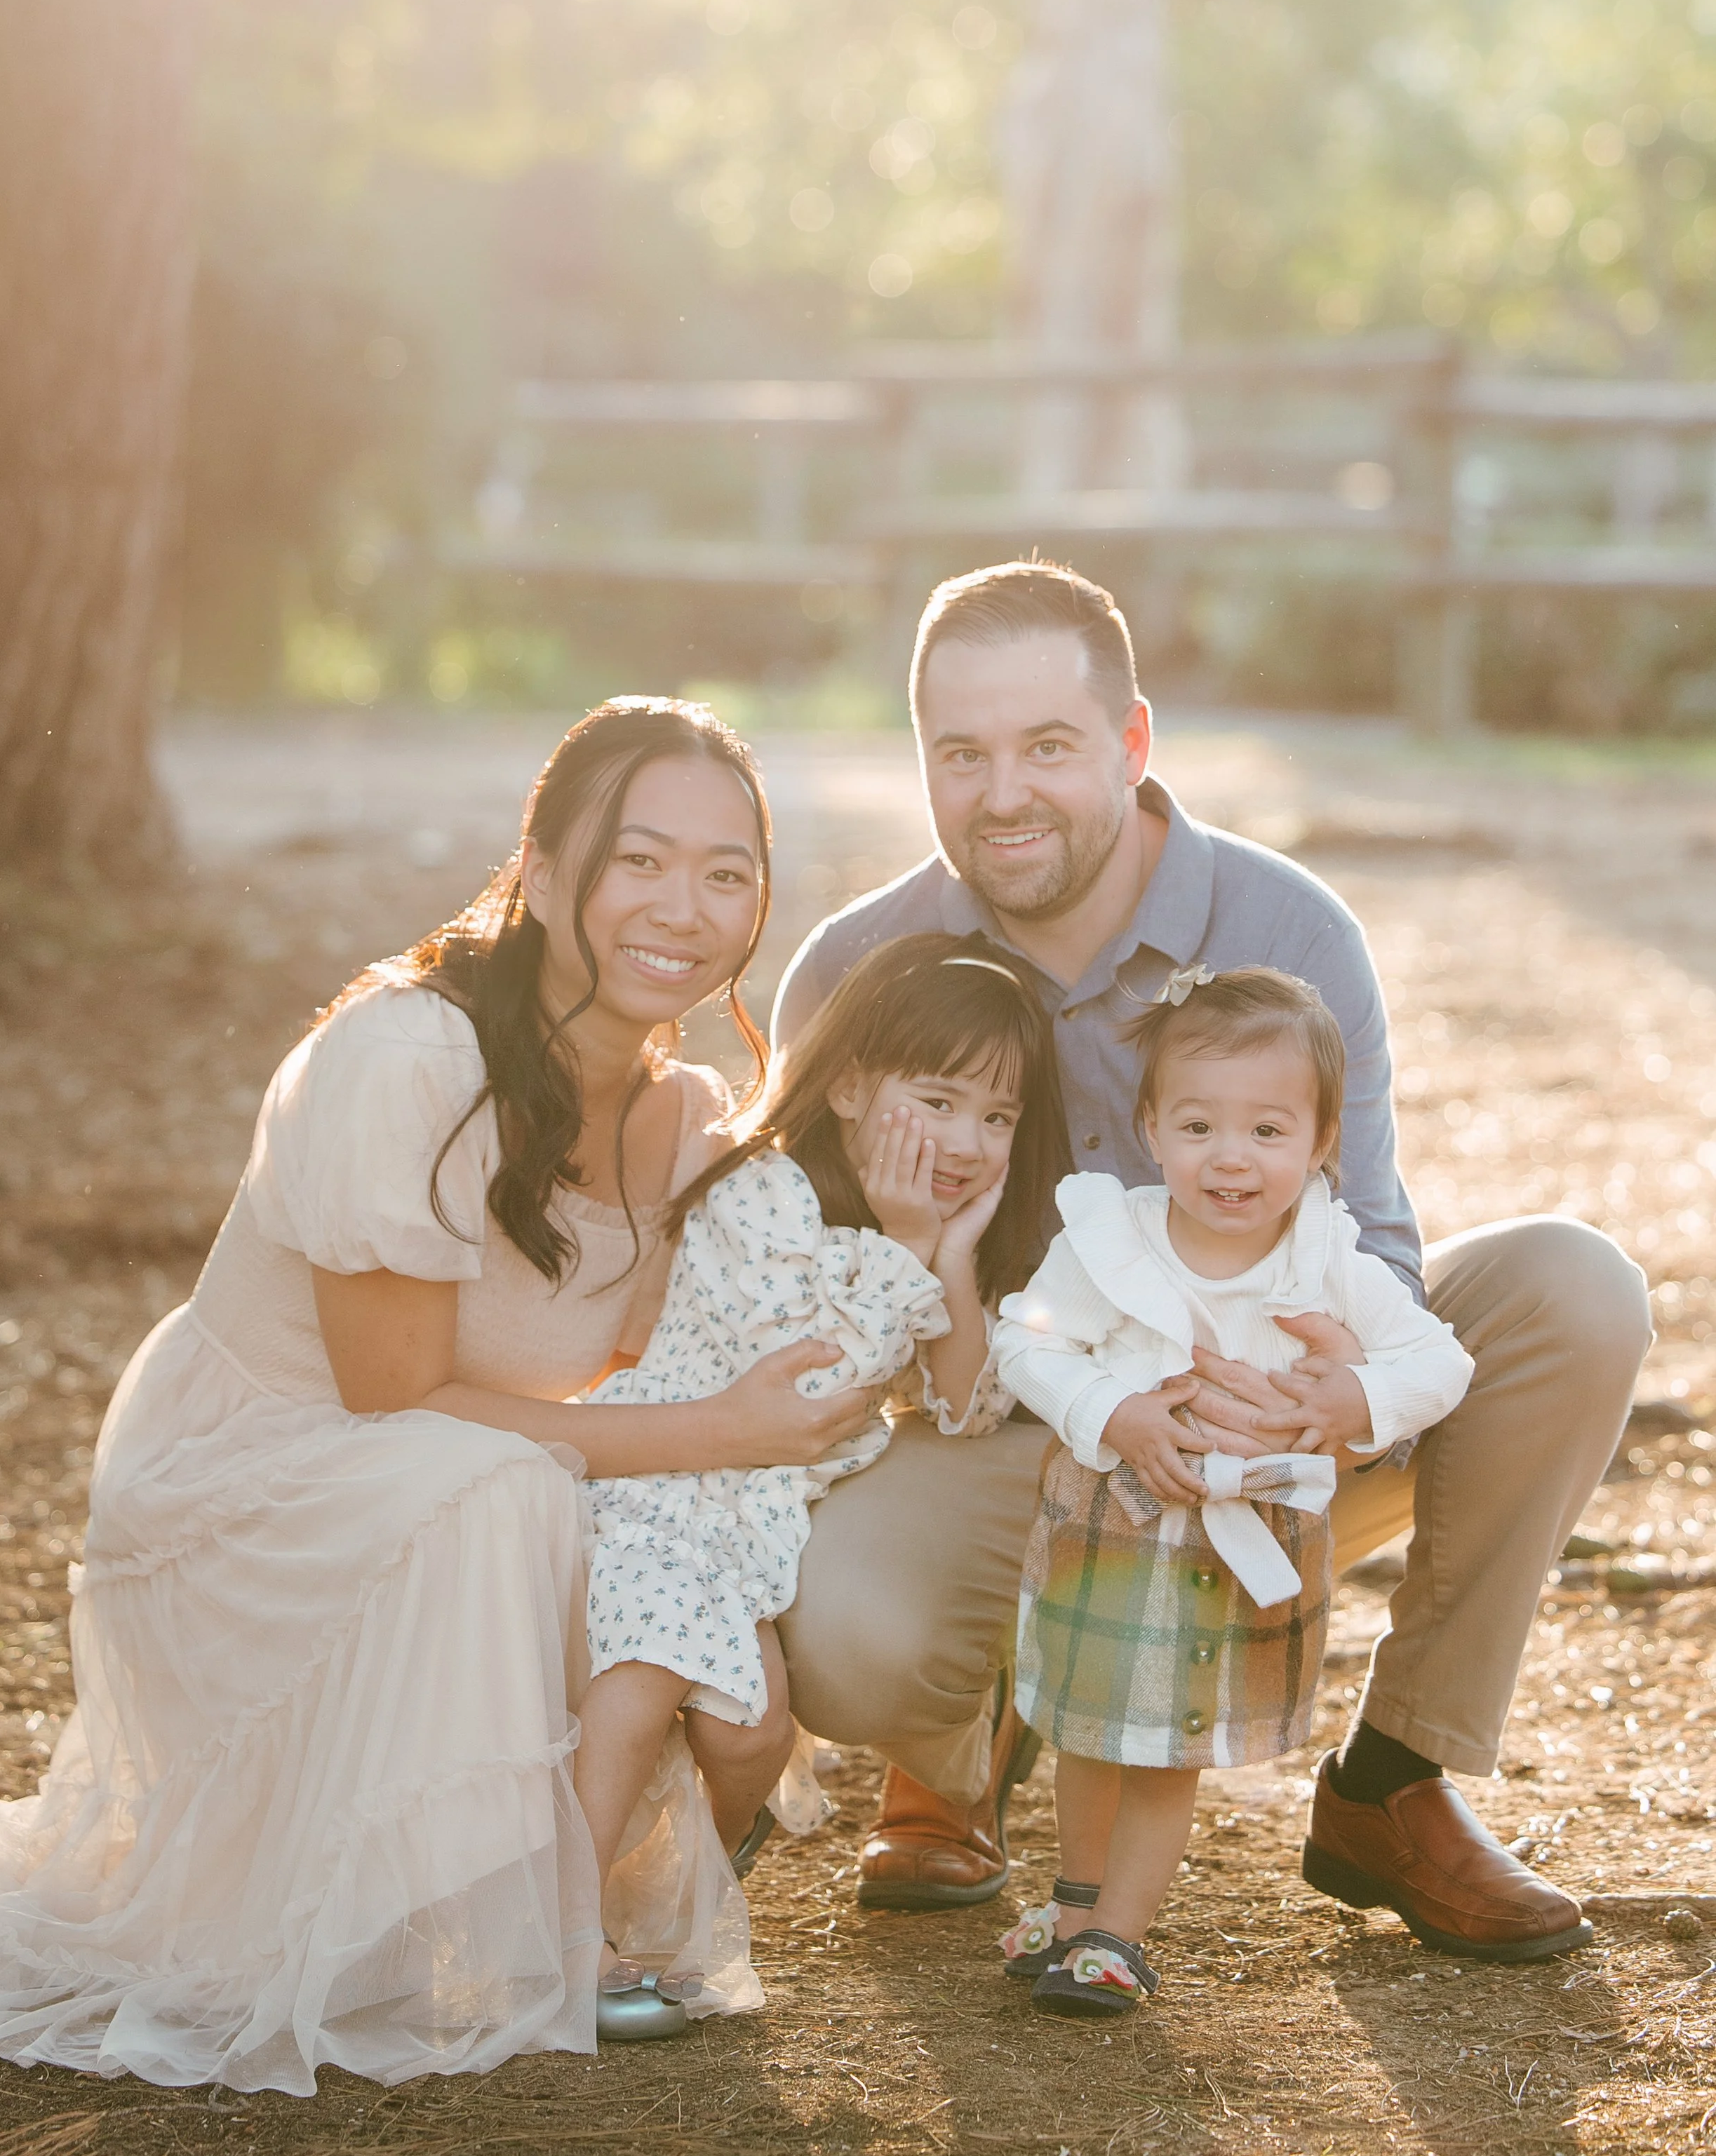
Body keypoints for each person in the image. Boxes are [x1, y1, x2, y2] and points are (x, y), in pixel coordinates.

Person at [0, 697, 880, 2091]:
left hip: (483, 1475)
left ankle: (563, 1883)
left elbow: (693, 1358)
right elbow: (391, 1400)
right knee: (516, 1492)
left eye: (727, 871)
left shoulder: (685, 1113)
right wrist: (718, 1432)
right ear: (544, 865)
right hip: (259, 1481)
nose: (681, 907)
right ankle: (506, 1930)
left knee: (628, 1537)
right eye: (638, 860)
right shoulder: (411, 1057)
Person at [774, 560, 1653, 1960]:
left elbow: (1371, 1236)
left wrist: (1311, 1393)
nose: (1002, 792)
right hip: (1019, 1421)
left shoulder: (1289, 931)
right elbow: (811, 1308)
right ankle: (963, 1737)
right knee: (844, 1636)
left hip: (1269, 1425)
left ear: (1129, 745)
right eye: (962, 754)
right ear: (923, 761)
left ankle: (1390, 1782)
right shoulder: (851, 968)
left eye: (1046, 747)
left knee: (1572, 1288)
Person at [574, 933, 1071, 2017]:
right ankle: (557, 1924)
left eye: (998, 1117)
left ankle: (669, 1909)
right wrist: (904, 1245)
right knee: (646, 1673)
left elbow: (966, 1406)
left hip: (749, 1519)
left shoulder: (924, 1232)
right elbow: (803, 1387)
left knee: (752, 1730)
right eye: (937, 1101)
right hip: (661, 1481)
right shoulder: (761, 1188)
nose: (969, 1140)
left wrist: (943, 1253)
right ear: (847, 1084)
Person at [992, 967, 1476, 2014]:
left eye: (1267, 1129)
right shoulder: (1110, 1242)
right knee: (1086, 1727)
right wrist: (1111, 1411)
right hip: (1111, 1526)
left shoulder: (1328, 1259)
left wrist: (1354, 1394)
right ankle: (1074, 1907)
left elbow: (1441, 1364)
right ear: (1152, 1127)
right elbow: (1022, 1339)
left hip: (1230, 1543)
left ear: (1321, 1143)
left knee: (1168, 1750)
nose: (1231, 1156)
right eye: (1200, 1124)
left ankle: (1118, 1934)